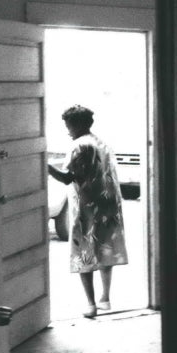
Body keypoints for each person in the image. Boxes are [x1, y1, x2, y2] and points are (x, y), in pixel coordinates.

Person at [48, 104, 128, 318]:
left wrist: (44, 165)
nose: (67, 129)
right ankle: (105, 298)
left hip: (87, 206)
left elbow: (67, 177)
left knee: (84, 252)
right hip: (108, 204)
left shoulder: (79, 145)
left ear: (78, 124)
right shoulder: (102, 143)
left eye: (69, 125)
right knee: (105, 249)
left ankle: (90, 304)